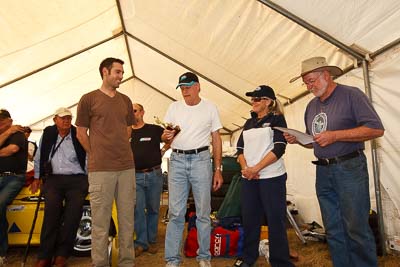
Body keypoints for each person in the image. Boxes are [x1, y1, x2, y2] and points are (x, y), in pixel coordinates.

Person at [285, 56, 384, 267]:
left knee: (356, 227)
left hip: (349, 168)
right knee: (333, 228)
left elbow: (376, 128)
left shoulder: (351, 95)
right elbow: (315, 142)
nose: (310, 86)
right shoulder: (311, 106)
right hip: (323, 171)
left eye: (312, 80)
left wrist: (336, 135)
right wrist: (299, 140)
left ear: (326, 75)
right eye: (306, 83)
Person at [76, 57, 136, 267]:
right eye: (117, 72)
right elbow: (81, 133)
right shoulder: (88, 99)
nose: (121, 76)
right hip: (100, 170)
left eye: (122, 72)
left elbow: (129, 128)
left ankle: (127, 263)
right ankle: (99, 263)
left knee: (127, 221)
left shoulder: (126, 100)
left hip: (127, 168)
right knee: (100, 224)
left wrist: (118, 146)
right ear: (105, 72)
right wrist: (95, 153)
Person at [163, 72, 223, 267]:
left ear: (198, 86)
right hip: (177, 159)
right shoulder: (173, 107)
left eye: (188, 86)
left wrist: (218, 169)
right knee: (175, 212)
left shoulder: (210, 108)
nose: (184, 90)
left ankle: (204, 257)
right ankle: (172, 260)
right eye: (181, 87)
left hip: (201, 159)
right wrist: (166, 136)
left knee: (204, 212)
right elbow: (168, 137)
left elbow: (216, 139)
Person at [234, 86, 294, 267]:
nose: (253, 102)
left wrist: (256, 168)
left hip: (272, 178)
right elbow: (239, 150)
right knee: (250, 219)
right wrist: (246, 168)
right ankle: (248, 257)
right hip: (249, 178)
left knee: (275, 220)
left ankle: (280, 261)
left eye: (257, 99)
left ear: (268, 102)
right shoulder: (248, 123)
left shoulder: (277, 119)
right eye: (252, 99)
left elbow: (279, 148)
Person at [29, 107, 88, 267]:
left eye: (69, 118)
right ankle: (45, 255)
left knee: (72, 217)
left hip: (77, 179)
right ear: (55, 119)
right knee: (51, 215)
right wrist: (37, 177)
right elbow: (40, 155)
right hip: (54, 179)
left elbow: (88, 156)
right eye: (63, 118)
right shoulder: (48, 133)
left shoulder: (78, 134)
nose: (66, 121)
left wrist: (89, 178)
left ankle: (62, 254)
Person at [130, 103, 170, 257]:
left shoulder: (153, 129)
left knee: (153, 209)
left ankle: (151, 240)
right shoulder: (126, 132)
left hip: (155, 175)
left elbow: (170, 136)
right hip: (135, 176)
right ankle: (141, 243)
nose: (133, 114)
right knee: (138, 210)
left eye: (135, 111)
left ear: (142, 112)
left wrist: (164, 149)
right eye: (130, 111)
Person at [0, 109, 27, 266]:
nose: (0, 125)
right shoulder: (10, 131)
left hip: (14, 177)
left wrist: (10, 131)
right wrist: (7, 131)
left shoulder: (18, 134)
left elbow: (12, 150)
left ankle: (2, 252)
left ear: (10, 120)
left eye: (3, 122)